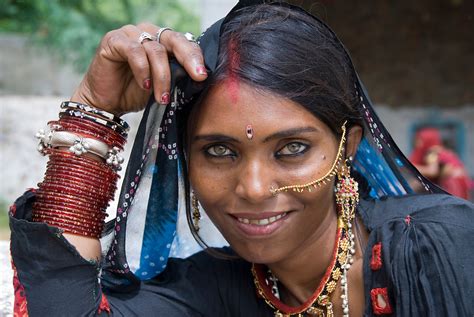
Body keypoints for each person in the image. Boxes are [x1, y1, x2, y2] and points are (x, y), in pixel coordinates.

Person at [9, 1, 474, 316]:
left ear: (346, 147)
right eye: (219, 151)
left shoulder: (439, 247)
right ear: (185, 160)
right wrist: (94, 107)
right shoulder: (214, 290)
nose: (253, 188)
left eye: (292, 149)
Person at [410, 127, 471, 200]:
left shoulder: (432, 152)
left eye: (420, 140)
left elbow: (432, 171)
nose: (418, 143)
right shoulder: (442, 150)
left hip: (452, 186)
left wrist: (411, 166)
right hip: (458, 185)